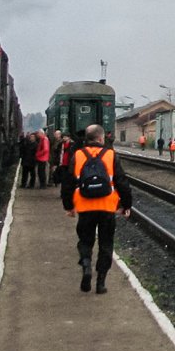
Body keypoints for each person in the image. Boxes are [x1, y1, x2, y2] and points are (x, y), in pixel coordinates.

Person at [61, 124, 133, 294]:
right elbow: (122, 182)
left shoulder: (77, 155)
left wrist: (69, 206)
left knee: (85, 241)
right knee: (106, 243)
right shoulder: (111, 155)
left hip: (85, 206)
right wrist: (126, 205)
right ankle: (101, 283)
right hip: (107, 207)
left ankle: (86, 265)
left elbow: (68, 183)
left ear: (87, 138)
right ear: (101, 138)